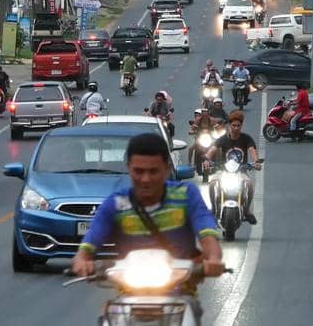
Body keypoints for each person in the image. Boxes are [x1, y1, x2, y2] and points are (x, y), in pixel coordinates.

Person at [70, 132, 225, 318]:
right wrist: (82, 260)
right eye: (138, 171)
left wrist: (214, 258)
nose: (145, 179)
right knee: (107, 317)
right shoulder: (116, 203)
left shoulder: (186, 195)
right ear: (128, 168)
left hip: (180, 294)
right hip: (128, 295)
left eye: (153, 171)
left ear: (167, 169)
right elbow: (90, 242)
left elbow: (206, 230)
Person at [203, 110, 261, 224]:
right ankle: (214, 209)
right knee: (212, 184)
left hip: (240, 171)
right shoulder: (223, 139)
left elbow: (252, 150)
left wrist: (256, 162)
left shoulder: (246, 138)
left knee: (249, 184)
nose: (236, 128)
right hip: (223, 171)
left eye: (238, 125)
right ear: (229, 126)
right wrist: (207, 160)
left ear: (241, 126)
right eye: (233, 125)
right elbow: (212, 150)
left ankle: (247, 211)